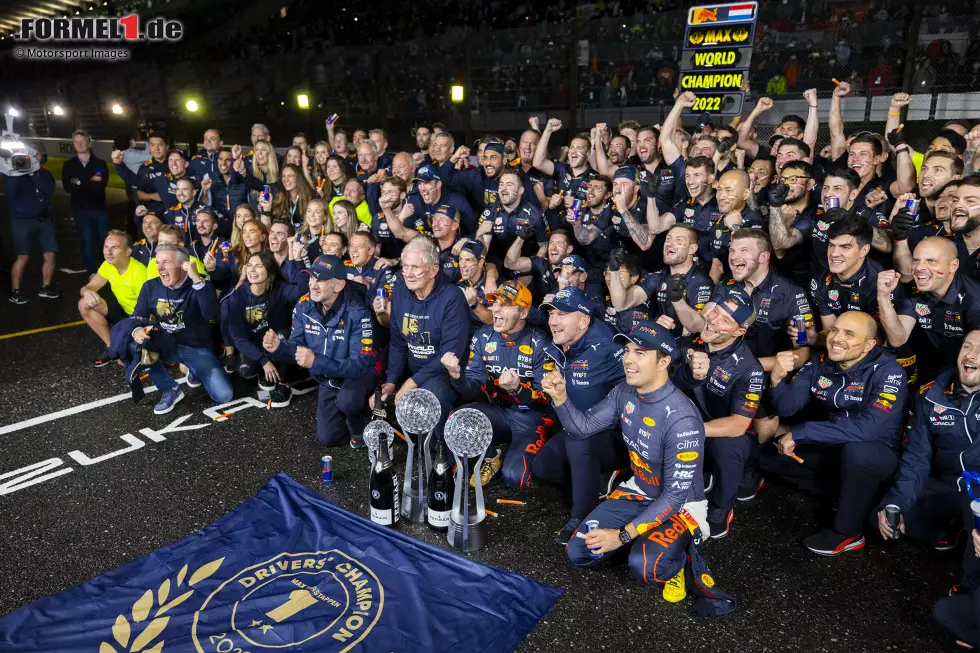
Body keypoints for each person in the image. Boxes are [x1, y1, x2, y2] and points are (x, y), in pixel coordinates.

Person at [542, 323, 735, 614]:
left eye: (641, 353)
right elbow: (583, 428)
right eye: (628, 350)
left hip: (680, 505)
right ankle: (642, 539)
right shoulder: (624, 392)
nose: (628, 359)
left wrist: (620, 536)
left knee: (644, 567)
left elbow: (672, 498)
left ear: (664, 362)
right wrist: (560, 398)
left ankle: (680, 559)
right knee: (578, 552)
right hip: (638, 491)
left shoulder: (682, 419)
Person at [760, 311, 907, 555]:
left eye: (849, 334)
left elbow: (867, 428)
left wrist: (801, 433)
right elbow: (787, 407)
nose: (837, 338)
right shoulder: (820, 361)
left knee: (858, 453)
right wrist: (776, 379)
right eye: (835, 330)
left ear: (869, 345)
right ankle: (851, 496)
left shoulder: (889, 371)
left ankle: (848, 532)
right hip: (833, 444)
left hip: (878, 452)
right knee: (767, 458)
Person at [530, 287, 626, 543]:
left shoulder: (607, 347)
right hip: (577, 423)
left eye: (562, 314)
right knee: (542, 467)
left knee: (578, 440)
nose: (553, 321)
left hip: (615, 435)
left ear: (584, 321)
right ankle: (596, 476)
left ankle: (583, 516)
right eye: (551, 314)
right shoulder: (562, 341)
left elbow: (631, 392)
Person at [442, 281, 552, 488]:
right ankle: (492, 454)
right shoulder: (483, 336)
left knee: (515, 478)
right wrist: (457, 376)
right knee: (458, 418)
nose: (496, 310)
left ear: (523, 313)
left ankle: (513, 454)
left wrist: (519, 389)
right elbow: (472, 389)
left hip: (533, 417)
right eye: (495, 303)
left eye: (505, 304)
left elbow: (548, 400)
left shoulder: (541, 342)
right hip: (498, 411)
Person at [673, 290, 765, 538]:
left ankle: (722, 507)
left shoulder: (750, 369)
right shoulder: (690, 342)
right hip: (695, 426)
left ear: (739, 332)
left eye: (725, 320)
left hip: (729, 435)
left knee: (729, 445)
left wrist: (691, 431)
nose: (713, 320)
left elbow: (738, 425)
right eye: (715, 312)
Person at [878, 330, 980, 551]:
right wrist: (897, 503)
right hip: (950, 486)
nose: (971, 356)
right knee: (888, 516)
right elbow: (916, 457)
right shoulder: (930, 394)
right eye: (967, 347)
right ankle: (954, 528)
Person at [263, 255, 378, 447]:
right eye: (311, 278)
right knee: (327, 439)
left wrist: (316, 362)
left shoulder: (358, 311)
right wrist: (278, 349)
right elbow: (297, 346)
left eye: (321, 280)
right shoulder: (304, 305)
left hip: (358, 375)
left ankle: (362, 423)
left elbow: (360, 365)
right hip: (327, 379)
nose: (313, 285)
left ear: (338, 285)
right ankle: (347, 413)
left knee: (348, 401)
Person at [114, 244, 233, 414]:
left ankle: (195, 370)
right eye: (158, 263)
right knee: (134, 346)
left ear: (183, 265)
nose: (160, 268)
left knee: (224, 395)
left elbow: (210, 313)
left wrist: (197, 280)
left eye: (166, 262)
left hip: (195, 347)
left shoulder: (200, 284)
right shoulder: (150, 286)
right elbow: (136, 317)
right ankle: (170, 389)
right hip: (166, 343)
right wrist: (137, 331)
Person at [374, 237, 470, 443]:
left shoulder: (452, 298)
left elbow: (450, 354)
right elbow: (398, 343)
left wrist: (411, 382)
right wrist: (391, 381)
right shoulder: (400, 292)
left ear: (433, 270)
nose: (407, 273)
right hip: (416, 371)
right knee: (379, 395)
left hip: (446, 374)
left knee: (431, 395)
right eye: (405, 266)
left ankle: (441, 454)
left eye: (415, 267)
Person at [225, 250, 302, 407]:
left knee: (281, 336)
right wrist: (263, 361)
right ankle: (265, 372)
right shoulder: (237, 297)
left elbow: (302, 292)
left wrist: (298, 261)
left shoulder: (279, 288)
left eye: (258, 266)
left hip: (279, 342)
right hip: (256, 346)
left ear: (270, 270)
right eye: (249, 265)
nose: (252, 270)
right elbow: (238, 337)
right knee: (246, 369)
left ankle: (284, 384)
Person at [608, 224, 713, 338]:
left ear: (692, 249)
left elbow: (698, 327)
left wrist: (677, 300)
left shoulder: (702, 282)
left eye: (678, 240)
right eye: (668, 239)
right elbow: (621, 305)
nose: (670, 243)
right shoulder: (658, 276)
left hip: (690, 349)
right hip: (664, 343)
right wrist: (614, 270)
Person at [909, 237, 980, 380]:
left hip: (965, 373)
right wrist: (884, 296)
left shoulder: (975, 299)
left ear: (953, 266)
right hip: (927, 371)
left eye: (931, 261)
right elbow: (897, 339)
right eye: (916, 260)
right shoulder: (914, 288)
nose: (919, 267)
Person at [77, 231, 147, 367]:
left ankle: (125, 348)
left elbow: (148, 310)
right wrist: (87, 291)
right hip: (123, 311)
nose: (108, 252)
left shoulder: (139, 273)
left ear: (127, 252)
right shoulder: (108, 265)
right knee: (84, 303)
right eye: (105, 247)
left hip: (140, 317)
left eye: (114, 247)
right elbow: (89, 287)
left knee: (135, 357)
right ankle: (112, 349)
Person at [4, 160, 60, 304]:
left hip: (43, 219)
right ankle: (15, 292)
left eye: (36, 155)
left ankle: (45, 288)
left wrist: (32, 175)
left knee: (50, 253)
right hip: (21, 220)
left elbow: (48, 190)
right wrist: (18, 173)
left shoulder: (45, 173)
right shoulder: (12, 173)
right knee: (23, 256)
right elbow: (11, 192)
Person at [475, 168, 549, 265]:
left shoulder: (535, 214)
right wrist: (479, 235)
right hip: (495, 265)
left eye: (509, 185)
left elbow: (543, 246)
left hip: (521, 265)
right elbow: (483, 251)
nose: (503, 189)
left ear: (520, 190)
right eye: (501, 184)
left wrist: (535, 270)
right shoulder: (490, 211)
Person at [62, 130, 110, 275]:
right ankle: (92, 272)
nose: (79, 144)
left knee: (104, 240)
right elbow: (67, 186)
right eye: (76, 142)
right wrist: (89, 180)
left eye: (82, 141)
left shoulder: (99, 163)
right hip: (80, 209)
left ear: (88, 142)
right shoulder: (69, 164)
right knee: (87, 239)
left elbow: (101, 184)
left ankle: (107, 270)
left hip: (99, 208)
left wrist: (79, 181)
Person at [455, 239, 495, 338]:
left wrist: (474, 304)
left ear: (481, 263)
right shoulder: (456, 278)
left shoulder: (491, 287)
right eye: (460, 259)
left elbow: (493, 320)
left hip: (484, 342)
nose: (462, 265)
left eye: (468, 260)